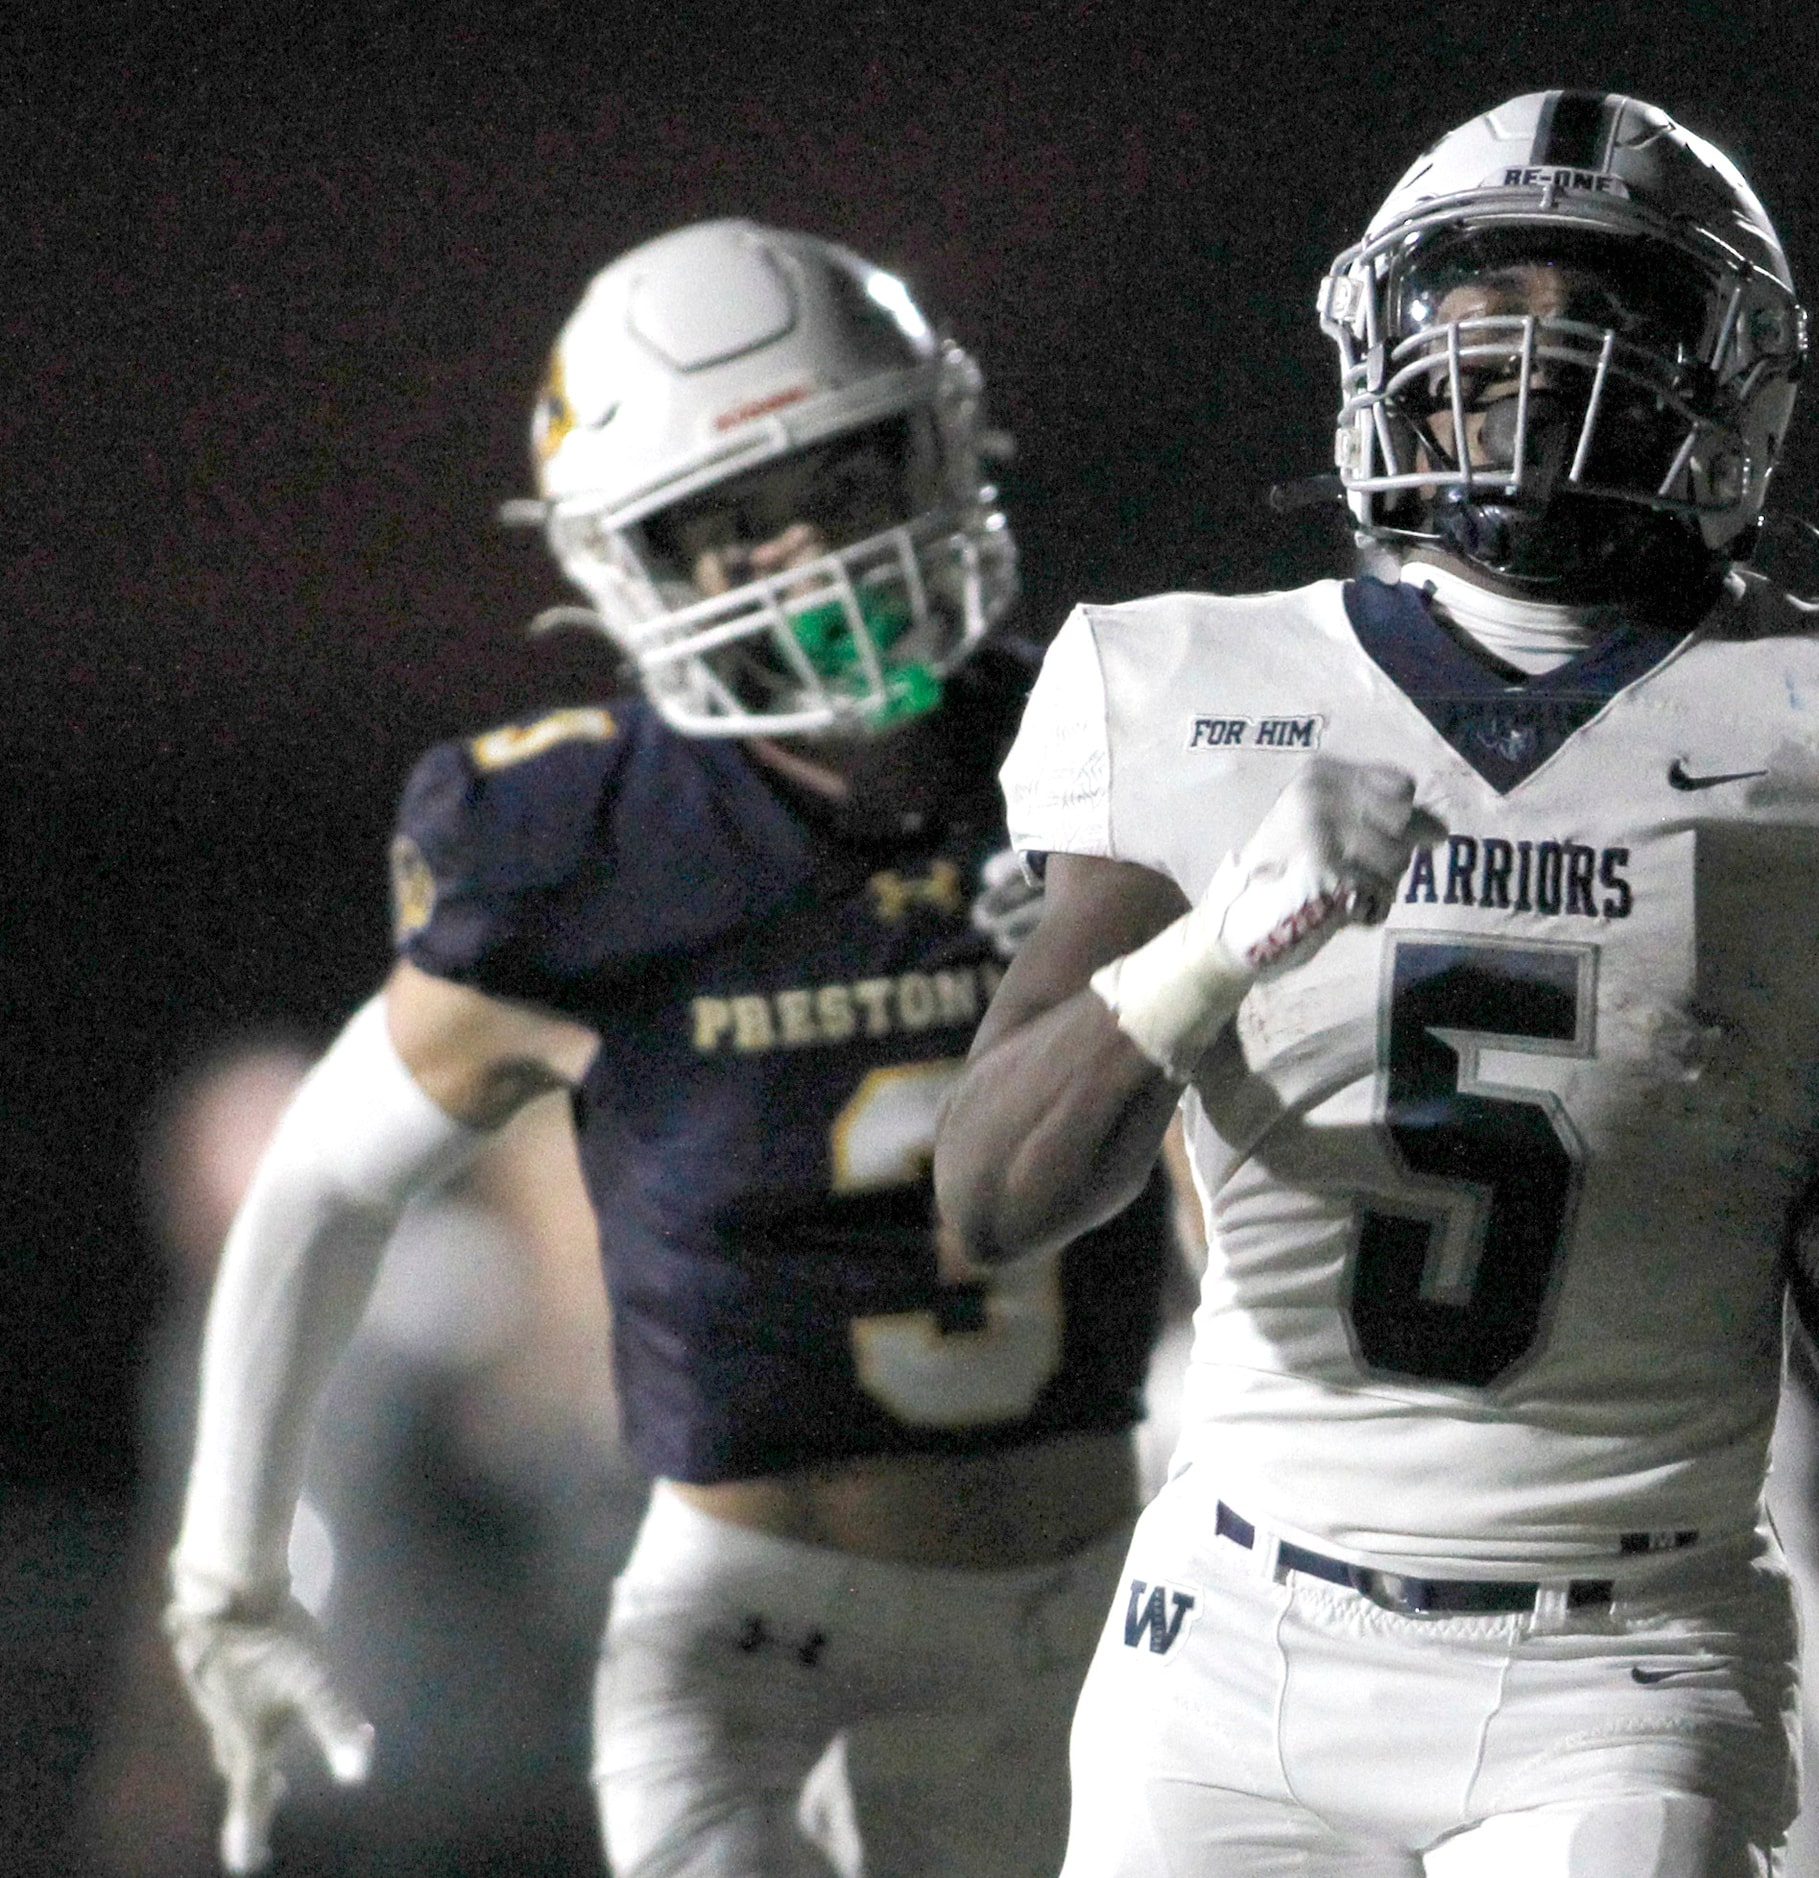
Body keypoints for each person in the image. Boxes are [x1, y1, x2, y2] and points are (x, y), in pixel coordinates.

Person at [933, 92, 1819, 1878]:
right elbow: (990, 1192)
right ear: (1387, 341)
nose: (1528, 352)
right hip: (1230, 1639)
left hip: (1626, 1653)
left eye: (1602, 307)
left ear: (1726, 381)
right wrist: (1215, 938)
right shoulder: (1182, 687)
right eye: (1479, 300)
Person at [166, 218, 1168, 1878]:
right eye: (729, 526)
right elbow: (319, 1189)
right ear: (627, 563)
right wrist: (230, 1564)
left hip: (1089, 1612)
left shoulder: (1108, 745)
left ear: (938, 448)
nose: (806, 559)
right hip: (750, 1639)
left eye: (841, 484)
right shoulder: (580, 836)